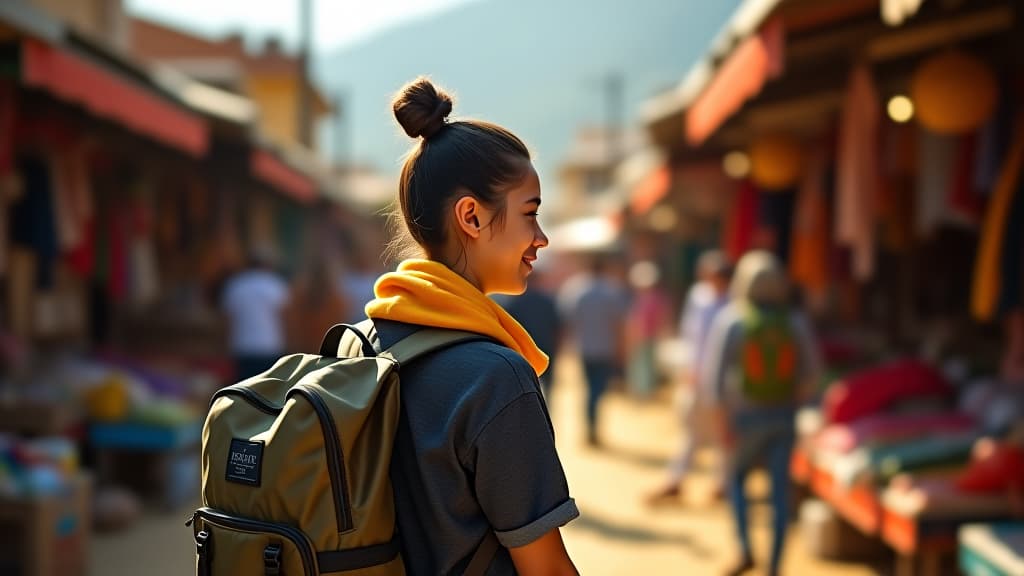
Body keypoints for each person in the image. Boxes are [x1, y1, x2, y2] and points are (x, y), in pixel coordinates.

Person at [362, 77, 579, 575]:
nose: (541, 238)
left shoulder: (363, 345)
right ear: (472, 217)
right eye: (530, 214)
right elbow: (544, 567)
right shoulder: (495, 376)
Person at [700, 251, 821, 576]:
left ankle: (746, 549)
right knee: (779, 493)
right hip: (783, 417)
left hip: (743, 419)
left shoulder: (732, 320)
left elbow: (713, 380)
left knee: (737, 481)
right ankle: (776, 566)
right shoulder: (794, 322)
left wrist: (720, 422)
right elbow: (812, 376)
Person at [647, 250, 731, 505]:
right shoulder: (699, 297)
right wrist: (688, 368)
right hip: (697, 376)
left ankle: (721, 483)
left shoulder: (732, 303)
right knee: (692, 432)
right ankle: (678, 480)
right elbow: (690, 335)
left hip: (722, 380)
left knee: (721, 434)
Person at [559, 255, 630, 447]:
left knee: (589, 388)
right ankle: (592, 427)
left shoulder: (576, 290)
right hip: (605, 348)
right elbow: (619, 324)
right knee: (598, 389)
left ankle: (590, 427)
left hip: (584, 347)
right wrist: (622, 348)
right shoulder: (611, 291)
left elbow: (567, 320)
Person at [493, 263, 563, 399]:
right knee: (548, 385)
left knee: (525, 384)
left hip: (523, 348)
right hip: (547, 346)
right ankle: (546, 410)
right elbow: (558, 326)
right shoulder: (547, 300)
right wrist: (558, 346)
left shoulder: (514, 302)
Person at [221, 245, 290, 380]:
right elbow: (285, 318)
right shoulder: (275, 285)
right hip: (270, 347)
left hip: (242, 348)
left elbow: (227, 320)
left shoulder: (235, 285)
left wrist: (224, 345)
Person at [285, 253, 350, 354]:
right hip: (327, 354)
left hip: (305, 355)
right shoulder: (337, 299)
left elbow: (291, 328)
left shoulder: (298, 295)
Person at [625, 260, 670, 399]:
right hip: (641, 336)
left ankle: (645, 391)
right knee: (640, 364)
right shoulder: (639, 298)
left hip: (648, 336)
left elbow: (661, 318)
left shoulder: (655, 299)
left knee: (647, 364)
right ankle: (640, 390)